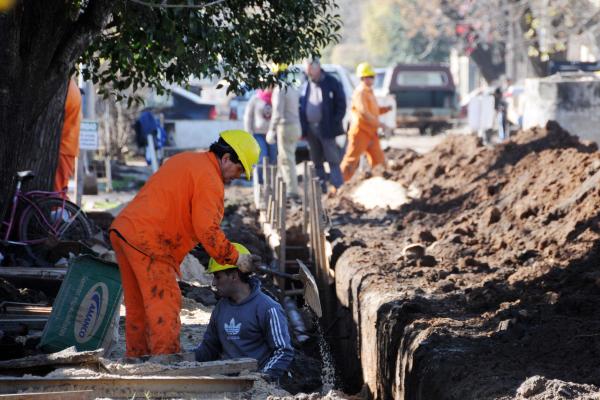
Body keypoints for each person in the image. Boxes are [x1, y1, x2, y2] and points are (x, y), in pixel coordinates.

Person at [109, 130, 261, 357]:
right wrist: (236, 258)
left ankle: (137, 357)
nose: (238, 176)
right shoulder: (210, 179)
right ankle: (165, 359)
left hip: (125, 231)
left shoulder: (189, 160)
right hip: (149, 242)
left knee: (137, 304)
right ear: (227, 158)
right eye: (239, 169)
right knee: (165, 301)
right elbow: (207, 230)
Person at [195, 243, 294, 382]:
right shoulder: (221, 307)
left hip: (257, 388)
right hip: (226, 385)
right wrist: (185, 358)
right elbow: (209, 347)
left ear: (234, 276)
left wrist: (262, 378)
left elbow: (283, 351)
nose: (213, 283)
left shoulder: (269, 309)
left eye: (218, 277)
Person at [299, 57, 346, 194]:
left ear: (317, 67)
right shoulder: (306, 83)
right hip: (310, 129)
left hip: (327, 127)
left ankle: (338, 186)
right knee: (316, 160)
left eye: (310, 70)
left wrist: (335, 122)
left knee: (332, 158)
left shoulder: (331, 82)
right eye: (307, 71)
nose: (308, 73)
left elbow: (341, 104)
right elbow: (302, 105)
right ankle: (321, 189)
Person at [340, 62, 391, 182]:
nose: (369, 80)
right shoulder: (360, 92)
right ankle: (338, 187)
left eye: (371, 77)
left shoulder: (369, 92)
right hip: (360, 132)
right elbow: (363, 112)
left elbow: (373, 111)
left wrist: (385, 109)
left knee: (379, 161)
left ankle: (380, 184)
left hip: (371, 133)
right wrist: (380, 124)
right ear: (361, 78)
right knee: (351, 162)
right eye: (366, 77)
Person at [267, 64, 302, 197]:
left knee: (287, 160)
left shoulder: (280, 89)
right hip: (295, 126)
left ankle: (291, 190)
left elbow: (277, 113)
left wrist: (271, 130)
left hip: (285, 127)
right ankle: (283, 186)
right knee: (284, 158)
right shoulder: (292, 87)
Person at [54, 79, 82, 197]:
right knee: (59, 191)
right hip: (68, 146)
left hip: (63, 147)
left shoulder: (65, 87)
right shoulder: (71, 86)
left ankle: (63, 215)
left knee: (57, 192)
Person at [244, 88, 276, 183]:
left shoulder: (276, 97)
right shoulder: (255, 99)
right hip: (258, 134)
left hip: (272, 133)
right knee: (262, 157)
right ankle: (260, 181)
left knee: (273, 157)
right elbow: (248, 116)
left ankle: (271, 181)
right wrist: (248, 132)